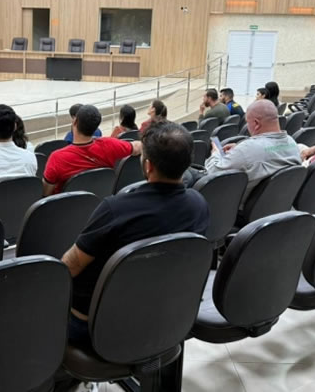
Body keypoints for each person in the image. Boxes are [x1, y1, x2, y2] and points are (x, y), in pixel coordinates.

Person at [60, 121, 209, 346]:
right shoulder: (199, 205)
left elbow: (71, 266)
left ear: (148, 166)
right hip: (163, 311)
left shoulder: (115, 209)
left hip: (97, 324)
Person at [205, 100, 301, 199]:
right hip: (278, 203)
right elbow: (269, 149)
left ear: (256, 123)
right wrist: (239, 149)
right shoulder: (292, 143)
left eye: (248, 122)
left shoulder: (248, 149)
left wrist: (215, 153)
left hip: (237, 206)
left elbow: (212, 173)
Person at [44, 104, 141, 196]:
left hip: (68, 207)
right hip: (100, 201)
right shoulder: (109, 144)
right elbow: (138, 147)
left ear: (75, 122)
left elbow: (46, 192)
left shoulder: (57, 158)